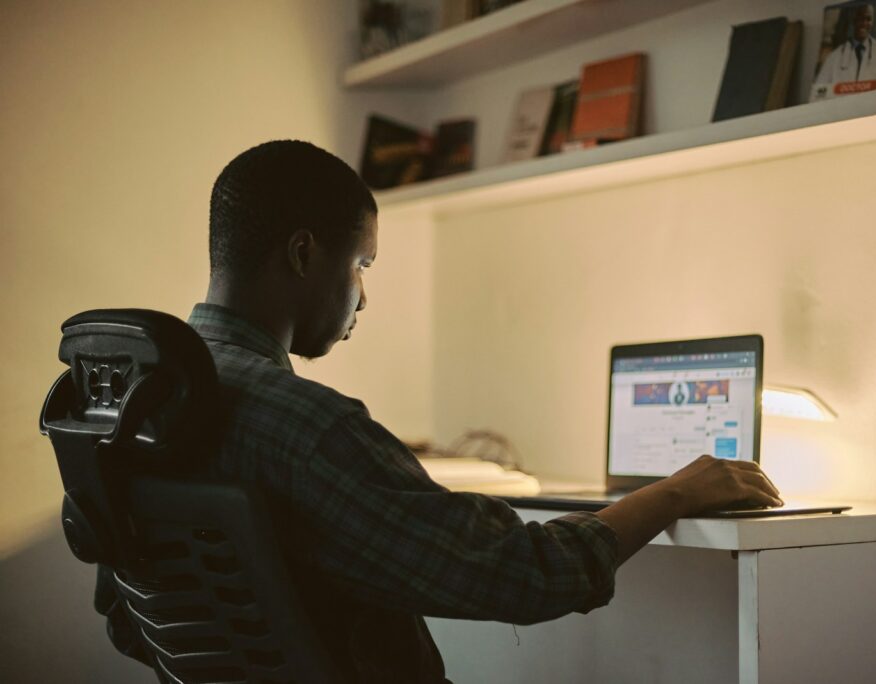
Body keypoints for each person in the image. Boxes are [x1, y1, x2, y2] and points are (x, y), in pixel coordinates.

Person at [100, 140, 783, 682]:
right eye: (362, 263)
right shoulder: (306, 427)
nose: (362, 297)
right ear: (305, 254)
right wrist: (675, 491)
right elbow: (522, 576)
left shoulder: (140, 396)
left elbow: (127, 619)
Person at [812, 3, 876, 97]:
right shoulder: (835, 56)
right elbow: (817, 94)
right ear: (853, 21)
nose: (864, 23)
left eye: (868, 19)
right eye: (860, 19)